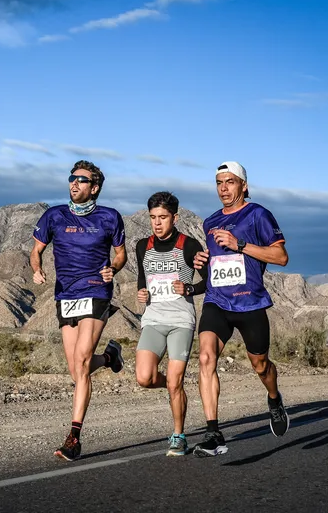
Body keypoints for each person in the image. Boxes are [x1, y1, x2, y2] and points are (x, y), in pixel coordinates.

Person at [30, 160, 127, 461]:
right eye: (72, 179)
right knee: (76, 369)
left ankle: (74, 437)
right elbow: (36, 251)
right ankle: (110, 357)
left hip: (96, 290)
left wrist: (112, 268)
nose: (74, 184)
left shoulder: (110, 218)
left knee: (82, 362)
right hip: (66, 295)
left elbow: (121, 255)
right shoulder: (53, 216)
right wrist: (37, 269)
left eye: (82, 180)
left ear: (94, 187)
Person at [192, 161, 290, 457]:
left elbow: (281, 257)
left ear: (243, 186)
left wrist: (241, 244)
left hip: (250, 303)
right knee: (206, 357)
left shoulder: (258, 214)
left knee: (261, 366)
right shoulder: (210, 222)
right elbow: (217, 261)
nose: (224, 188)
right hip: (217, 301)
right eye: (219, 182)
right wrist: (202, 263)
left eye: (230, 182)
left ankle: (274, 398)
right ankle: (213, 434)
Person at [135, 191, 208, 456]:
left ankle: (179, 435)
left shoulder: (189, 245)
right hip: (153, 319)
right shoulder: (143, 245)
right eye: (153, 217)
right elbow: (143, 279)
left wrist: (189, 288)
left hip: (180, 321)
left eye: (163, 217)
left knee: (175, 383)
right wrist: (141, 293)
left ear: (174, 218)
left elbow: (208, 281)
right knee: (144, 378)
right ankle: (173, 385)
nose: (157, 222)